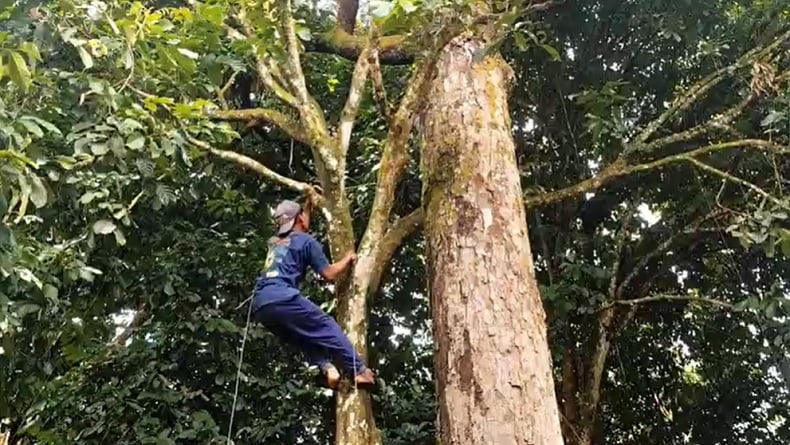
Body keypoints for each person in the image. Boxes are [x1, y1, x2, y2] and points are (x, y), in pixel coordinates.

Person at [252, 199, 375, 390]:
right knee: (326, 325)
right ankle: (359, 371)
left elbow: (297, 226)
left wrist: (308, 205)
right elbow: (329, 274)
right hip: (282, 296)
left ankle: (328, 368)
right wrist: (347, 258)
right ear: (300, 218)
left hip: (261, 304)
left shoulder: (275, 243)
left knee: (303, 337)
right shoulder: (306, 241)